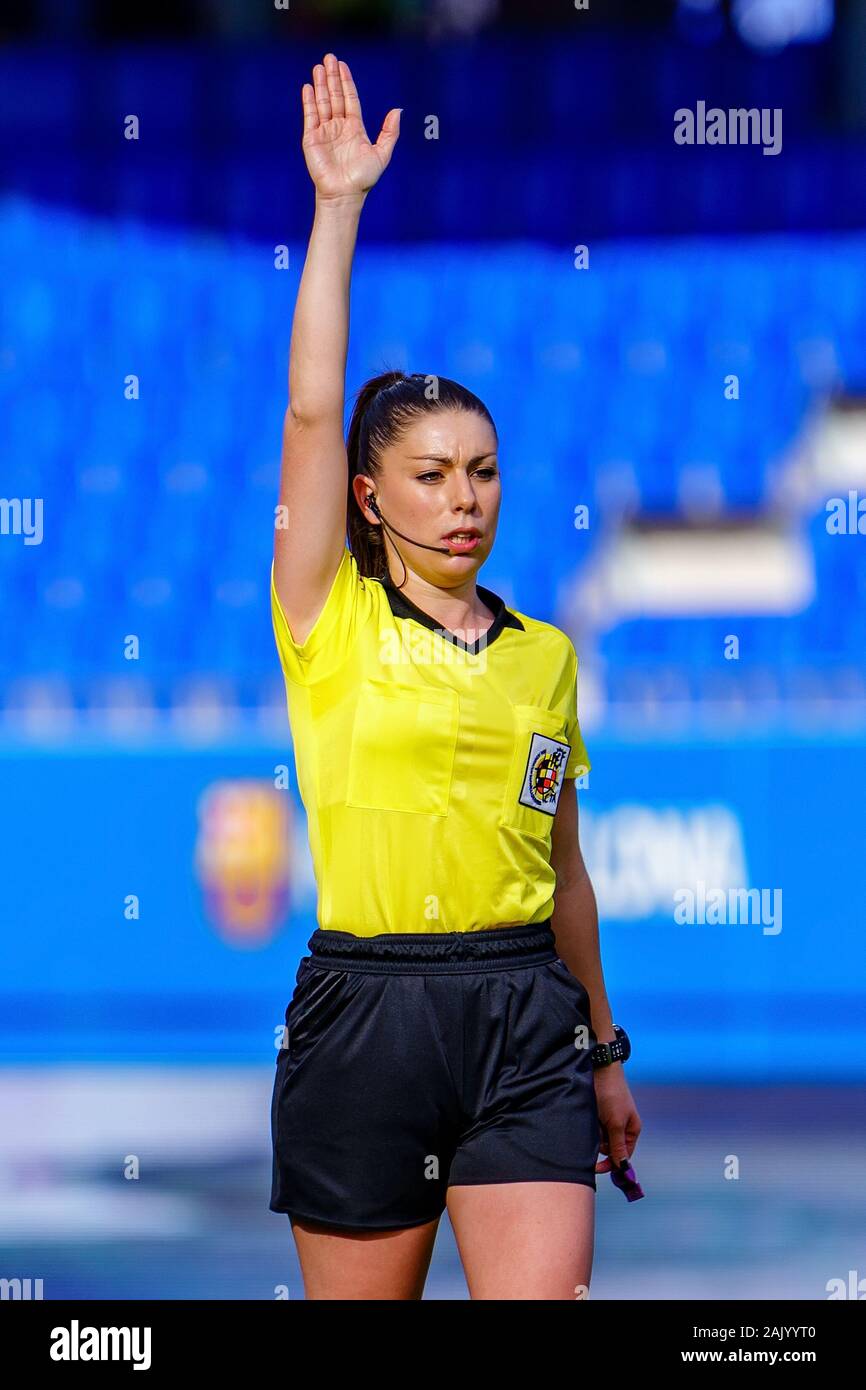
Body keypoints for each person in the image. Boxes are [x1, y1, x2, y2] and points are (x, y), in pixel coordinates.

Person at [269, 52, 641, 1300]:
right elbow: (315, 414)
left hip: (525, 1023)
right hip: (363, 1018)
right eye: (431, 474)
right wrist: (337, 211)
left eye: (481, 470)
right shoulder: (325, 618)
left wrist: (599, 1052)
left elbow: (566, 871)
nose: (463, 497)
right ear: (369, 501)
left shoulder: (545, 654)